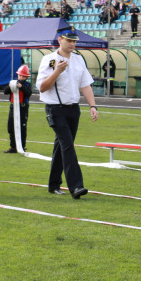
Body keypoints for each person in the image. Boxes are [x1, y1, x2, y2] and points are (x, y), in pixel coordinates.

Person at [38, 26, 99, 198]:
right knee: (68, 146)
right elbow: (42, 87)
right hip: (55, 109)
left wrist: (93, 106)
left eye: (74, 41)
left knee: (62, 145)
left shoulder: (78, 59)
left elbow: (85, 84)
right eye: (69, 40)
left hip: (73, 109)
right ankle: (76, 186)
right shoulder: (49, 60)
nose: (72, 44)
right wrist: (57, 71)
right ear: (60, 40)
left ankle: (53, 183)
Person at [3, 64, 32, 153]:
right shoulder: (13, 83)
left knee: (22, 128)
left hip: (22, 108)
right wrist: (10, 86)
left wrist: (21, 87)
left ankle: (22, 146)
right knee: (11, 127)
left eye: (23, 76)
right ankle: (13, 147)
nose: (21, 77)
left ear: (26, 77)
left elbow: (28, 93)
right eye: (20, 75)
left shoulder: (27, 85)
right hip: (13, 107)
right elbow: (5, 92)